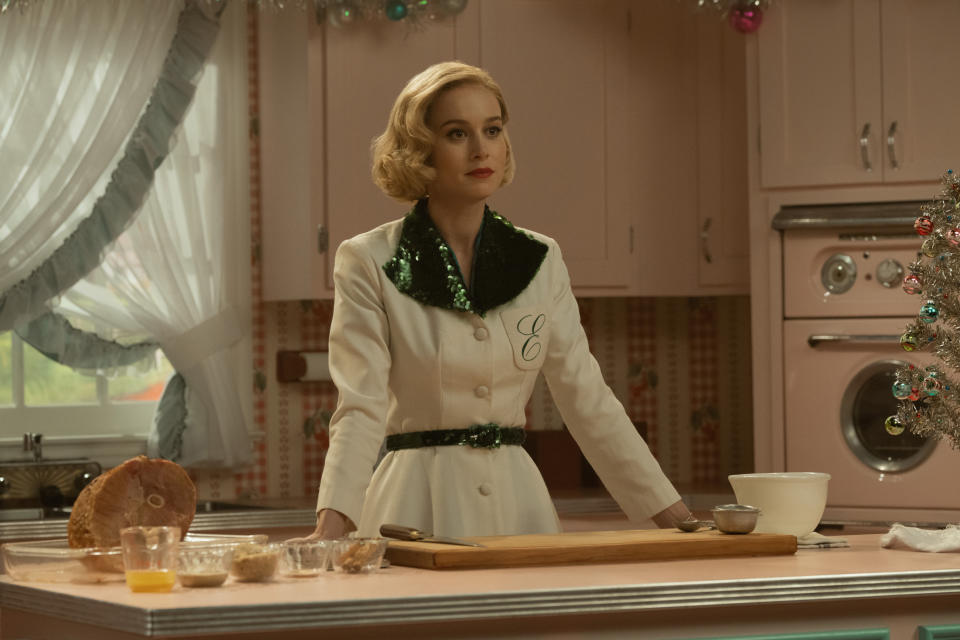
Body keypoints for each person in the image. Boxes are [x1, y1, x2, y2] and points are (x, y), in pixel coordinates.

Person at [309, 61, 692, 541]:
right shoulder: (368, 259)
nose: (480, 149)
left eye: (492, 130)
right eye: (456, 133)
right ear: (419, 149)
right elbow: (360, 406)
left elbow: (586, 398)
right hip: (411, 508)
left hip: (520, 509)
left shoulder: (541, 258)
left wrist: (678, 518)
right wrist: (331, 526)